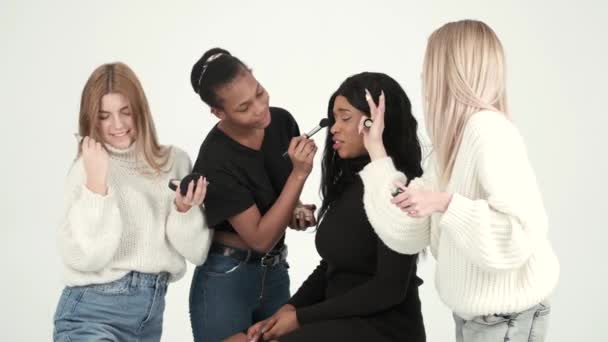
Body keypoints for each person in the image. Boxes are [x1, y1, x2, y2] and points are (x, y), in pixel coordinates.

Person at [359, 20, 559, 342]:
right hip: (477, 318)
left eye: (430, 63)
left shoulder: (489, 131)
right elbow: (408, 234)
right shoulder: (453, 145)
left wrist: (444, 203)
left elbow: (518, 235)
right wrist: (377, 152)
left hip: (504, 320)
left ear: (451, 71)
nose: (423, 74)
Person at [245, 72, 426, 342]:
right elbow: (331, 267)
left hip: (384, 328)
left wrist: (301, 319)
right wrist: (290, 308)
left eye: (345, 118)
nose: (334, 128)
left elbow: (389, 289)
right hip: (340, 320)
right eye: (334, 119)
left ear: (374, 122)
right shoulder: (349, 182)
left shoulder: (399, 188)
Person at [53, 62, 213, 342]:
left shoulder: (175, 161)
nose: (117, 125)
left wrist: (183, 209)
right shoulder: (87, 168)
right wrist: (96, 184)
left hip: (149, 319)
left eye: (125, 112)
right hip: (91, 314)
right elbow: (87, 256)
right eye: (104, 116)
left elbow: (197, 252)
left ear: (140, 110)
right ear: (92, 118)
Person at [188, 48, 318, 342]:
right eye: (244, 108)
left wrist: (296, 210)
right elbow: (259, 238)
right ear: (219, 113)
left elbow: (278, 197)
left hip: (274, 271)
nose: (260, 109)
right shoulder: (216, 160)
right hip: (227, 278)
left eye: (259, 93)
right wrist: (299, 175)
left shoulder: (281, 122)